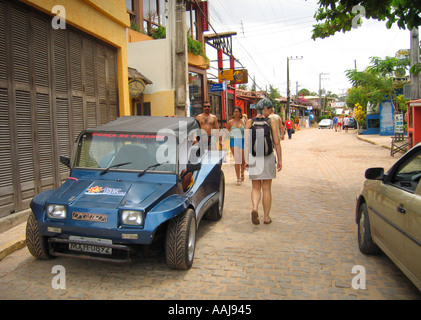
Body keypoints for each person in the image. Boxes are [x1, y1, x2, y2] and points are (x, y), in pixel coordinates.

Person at [244, 99, 282, 225]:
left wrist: (245, 159)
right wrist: (280, 160)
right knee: (266, 188)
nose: (271, 111)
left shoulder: (249, 122)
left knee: (255, 187)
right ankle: (266, 217)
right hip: (268, 156)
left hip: (255, 156)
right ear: (264, 109)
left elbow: (247, 143)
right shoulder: (271, 122)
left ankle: (255, 208)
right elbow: (276, 142)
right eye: (270, 109)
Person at [226, 107, 245, 185]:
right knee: (237, 160)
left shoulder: (244, 122)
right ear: (233, 113)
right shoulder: (230, 122)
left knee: (243, 161)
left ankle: (242, 172)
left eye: (237, 112)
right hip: (233, 141)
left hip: (243, 141)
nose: (236, 113)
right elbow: (226, 132)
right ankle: (238, 178)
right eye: (234, 112)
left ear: (240, 113)